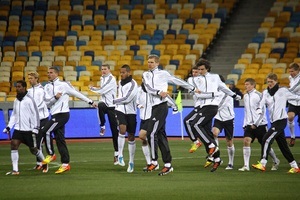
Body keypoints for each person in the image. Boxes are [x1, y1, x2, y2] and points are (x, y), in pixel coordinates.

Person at [142, 54, 197, 176]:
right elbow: (147, 88)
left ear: (157, 63)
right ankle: (168, 164)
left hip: (161, 107)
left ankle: (154, 161)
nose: (149, 64)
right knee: (161, 135)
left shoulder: (163, 74)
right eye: (148, 62)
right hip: (154, 107)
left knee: (151, 133)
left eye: (152, 62)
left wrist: (191, 88)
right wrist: (159, 92)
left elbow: (176, 80)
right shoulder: (145, 75)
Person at [185, 59, 241, 172]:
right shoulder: (195, 80)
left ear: (207, 69)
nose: (200, 72)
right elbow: (196, 93)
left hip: (210, 107)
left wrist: (234, 95)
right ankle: (217, 158)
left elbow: (223, 88)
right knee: (204, 131)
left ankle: (208, 145)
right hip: (201, 107)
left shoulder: (214, 78)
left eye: (202, 69)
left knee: (195, 125)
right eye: (198, 70)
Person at [42, 66, 97, 174]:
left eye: (51, 72)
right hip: (54, 114)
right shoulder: (47, 87)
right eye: (48, 72)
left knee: (46, 131)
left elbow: (77, 94)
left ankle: (51, 154)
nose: (49, 74)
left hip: (62, 114)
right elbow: (47, 103)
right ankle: (65, 164)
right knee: (60, 139)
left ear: (57, 74)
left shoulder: (63, 85)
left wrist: (90, 102)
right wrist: (55, 98)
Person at [252, 73, 300, 173]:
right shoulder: (265, 92)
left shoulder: (283, 91)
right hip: (273, 121)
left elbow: (296, 97)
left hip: (281, 120)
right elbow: (261, 104)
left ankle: (263, 163)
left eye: (271, 82)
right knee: (283, 146)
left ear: (276, 81)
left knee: (266, 139)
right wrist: (259, 110)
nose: (270, 84)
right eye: (268, 82)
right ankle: (294, 166)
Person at [3, 80, 45, 175]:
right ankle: (15, 170)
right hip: (18, 129)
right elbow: (14, 115)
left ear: (24, 87)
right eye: (16, 87)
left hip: (29, 130)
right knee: (13, 144)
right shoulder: (16, 100)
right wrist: (9, 127)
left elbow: (36, 114)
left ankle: (44, 163)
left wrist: (36, 128)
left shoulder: (30, 100)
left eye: (19, 87)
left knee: (33, 150)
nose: (17, 89)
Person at [238, 78, 280, 172]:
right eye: (245, 84)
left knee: (265, 144)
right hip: (249, 124)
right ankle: (246, 166)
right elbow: (246, 111)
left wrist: (256, 124)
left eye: (248, 84)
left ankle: (275, 160)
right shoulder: (245, 96)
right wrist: (245, 123)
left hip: (260, 125)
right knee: (246, 141)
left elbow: (262, 111)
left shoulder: (259, 95)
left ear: (253, 85)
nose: (246, 86)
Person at [137, 83, 178, 170]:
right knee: (160, 136)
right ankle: (165, 163)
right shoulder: (140, 90)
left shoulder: (155, 90)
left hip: (154, 116)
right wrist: (138, 105)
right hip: (144, 117)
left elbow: (165, 96)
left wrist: (174, 105)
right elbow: (136, 101)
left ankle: (154, 162)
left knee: (148, 135)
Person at [89, 63, 119, 164]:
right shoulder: (102, 78)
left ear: (109, 70)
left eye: (105, 69)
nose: (103, 71)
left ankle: (117, 153)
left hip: (112, 107)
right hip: (105, 104)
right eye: (102, 69)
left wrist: (92, 88)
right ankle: (102, 126)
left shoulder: (111, 79)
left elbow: (102, 90)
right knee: (100, 105)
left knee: (115, 132)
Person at [113, 64, 138, 173]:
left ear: (129, 72)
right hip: (120, 109)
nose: (121, 74)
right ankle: (120, 154)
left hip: (131, 112)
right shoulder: (119, 83)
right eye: (120, 72)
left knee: (131, 136)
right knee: (122, 129)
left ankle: (131, 162)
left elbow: (127, 99)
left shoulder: (133, 84)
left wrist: (113, 101)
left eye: (123, 72)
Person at [27, 72, 54, 173]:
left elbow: (45, 103)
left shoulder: (42, 90)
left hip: (43, 118)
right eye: (29, 78)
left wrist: (34, 109)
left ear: (36, 79)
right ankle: (39, 163)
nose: (30, 80)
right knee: (35, 142)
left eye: (31, 78)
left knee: (39, 141)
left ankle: (44, 164)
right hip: (33, 120)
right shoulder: (28, 91)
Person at [211, 75, 235, 170]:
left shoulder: (227, 91)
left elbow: (220, 104)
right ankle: (216, 157)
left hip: (228, 118)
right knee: (214, 133)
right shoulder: (215, 90)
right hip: (218, 118)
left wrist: (211, 109)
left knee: (229, 141)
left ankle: (231, 162)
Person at [184, 66, 202, 153]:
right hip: (198, 105)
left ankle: (196, 141)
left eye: (196, 72)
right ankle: (213, 156)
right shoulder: (191, 80)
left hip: (202, 106)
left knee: (187, 121)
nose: (194, 74)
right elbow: (191, 92)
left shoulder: (203, 80)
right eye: (193, 72)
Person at [287, 63, 300, 147]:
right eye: (290, 71)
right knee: (290, 117)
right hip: (292, 101)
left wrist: (282, 91)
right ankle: (292, 136)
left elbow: (293, 89)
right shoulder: (290, 77)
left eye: (292, 71)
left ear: (297, 70)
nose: (291, 73)